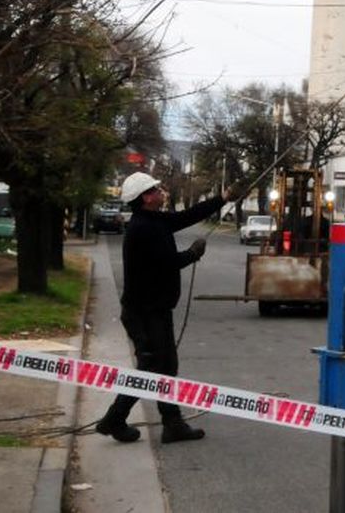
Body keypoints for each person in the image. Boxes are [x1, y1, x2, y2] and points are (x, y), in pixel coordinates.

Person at [95, 171, 240, 444]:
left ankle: (168, 423)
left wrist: (222, 199)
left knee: (162, 367)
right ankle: (117, 419)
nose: (162, 192)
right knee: (153, 367)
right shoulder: (143, 228)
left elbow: (186, 217)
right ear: (146, 197)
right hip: (145, 312)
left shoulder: (152, 220)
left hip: (153, 309)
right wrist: (193, 254)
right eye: (156, 189)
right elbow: (166, 262)